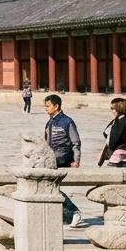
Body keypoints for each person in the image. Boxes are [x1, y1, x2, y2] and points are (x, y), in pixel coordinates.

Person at [44, 94, 85, 228]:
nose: (46, 108)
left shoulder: (67, 121)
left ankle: (73, 211)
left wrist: (76, 160)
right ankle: (67, 214)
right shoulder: (50, 121)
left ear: (56, 106)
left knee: (50, 187)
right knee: (50, 188)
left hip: (62, 157)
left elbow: (76, 142)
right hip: (51, 159)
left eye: (48, 106)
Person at [98, 97, 126, 168]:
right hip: (123, 156)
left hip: (121, 156)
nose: (112, 111)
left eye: (113, 108)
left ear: (119, 109)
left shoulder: (124, 121)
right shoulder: (121, 120)